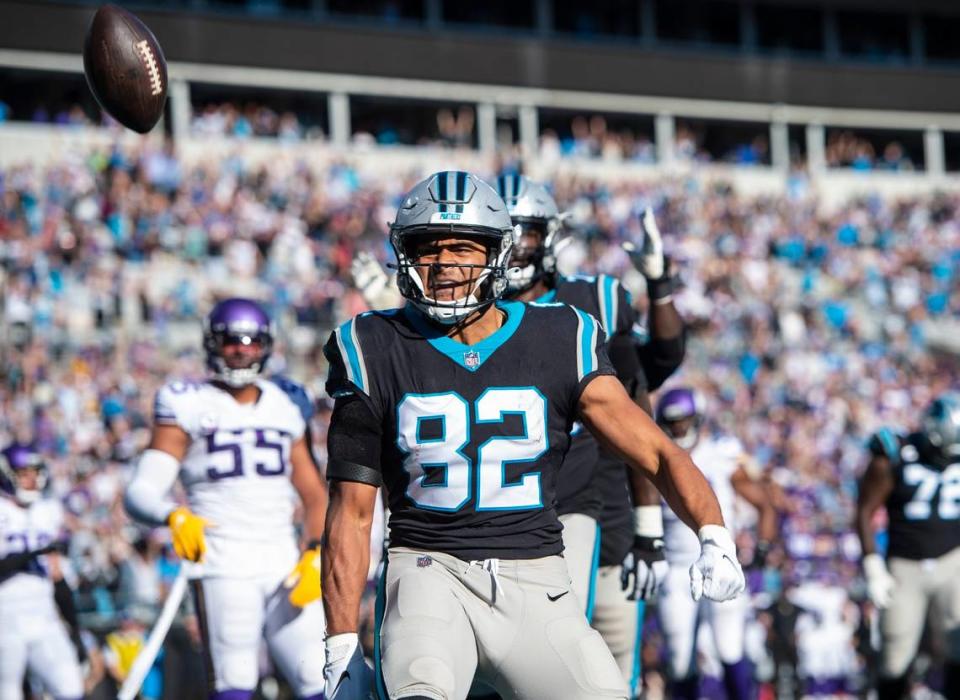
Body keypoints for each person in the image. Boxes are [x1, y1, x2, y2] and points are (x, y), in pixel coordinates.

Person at [320, 170, 744, 700]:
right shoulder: (372, 345)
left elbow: (656, 451)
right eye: (427, 248)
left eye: (463, 249)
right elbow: (351, 513)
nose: (445, 264)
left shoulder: (558, 334)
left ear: (498, 255)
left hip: (537, 577)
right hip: (427, 571)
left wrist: (712, 531)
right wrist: (340, 645)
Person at [495, 174, 684, 697]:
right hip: (524, 513)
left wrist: (660, 284)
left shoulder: (593, 301)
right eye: (502, 235)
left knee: (612, 664)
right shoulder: (477, 315)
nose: (513, 250)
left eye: (524, 234)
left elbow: (653, 370)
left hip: (609, 510)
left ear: (550, 237)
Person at [124, 297, 329, 700]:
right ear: (211, 344)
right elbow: (140, 491)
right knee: (235, 684)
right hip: (223, 562)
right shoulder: (187, 401)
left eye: (251, 341)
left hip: (284, 562)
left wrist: (317, 550)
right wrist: (174, 516)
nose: (241, 350)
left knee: (322, 679)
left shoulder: (286, 400)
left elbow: (315, 494)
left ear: (266, 345)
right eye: (231, 341)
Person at [654, 387, 777, 699]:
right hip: (677, 567)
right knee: (680, 659)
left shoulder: (720, 454)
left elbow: (764, 504)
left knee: (729, 647)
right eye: (673, 422)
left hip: (719, 561)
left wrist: (762, 550)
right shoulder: (657, 456)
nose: (679, 428)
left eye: (683, 421)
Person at [856, 393, 960, 700]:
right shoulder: (897, 452)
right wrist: (872, 566)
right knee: (895, 653)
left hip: (954, 559)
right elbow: (864, 510)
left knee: (959, 645)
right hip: (905, 565)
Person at [0, 442, 85, 700]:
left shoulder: (47, 512)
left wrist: (75, 629)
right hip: (5, 617)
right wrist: (34, 553)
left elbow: (57, 576)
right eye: (24, 473)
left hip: (43, 614)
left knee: (71, 688)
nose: (32, 480)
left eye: (35, 472)